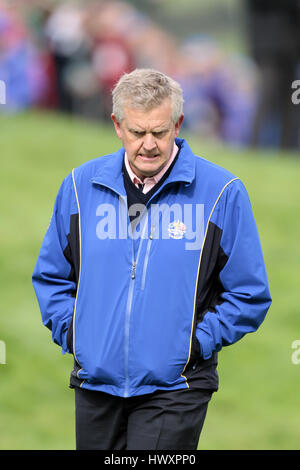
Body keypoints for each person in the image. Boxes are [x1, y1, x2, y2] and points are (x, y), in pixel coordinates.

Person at [32, 68, 272, 450]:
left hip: (177, 387)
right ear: (117, 125)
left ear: (178, 124)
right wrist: (78, 337)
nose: (148, 144)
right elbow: (51, 277)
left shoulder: (222, 192)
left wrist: (192, 345)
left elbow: (249, 294)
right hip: (96, 384)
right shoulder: (79, 186)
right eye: (137, 132)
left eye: (159, 132)